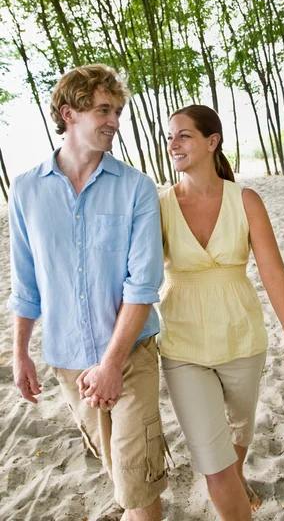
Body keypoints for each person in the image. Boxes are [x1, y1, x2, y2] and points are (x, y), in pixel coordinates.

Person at [8, 64, 167, 521]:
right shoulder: (24, 190)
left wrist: (113, 365)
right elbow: (26, 283)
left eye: (117, 110)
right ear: (68, 113)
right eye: (103, 109)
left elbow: (142, 288)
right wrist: (20, 353)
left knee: (136, 480)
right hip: (69, 362)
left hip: (131, 355)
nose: (115, 120)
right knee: (120, 472)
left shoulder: (136, 188)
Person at [158, 104, 284, 521]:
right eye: (169, 136)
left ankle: (236, 472)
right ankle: (229, 480)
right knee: (214, 467)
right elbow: (137, 277)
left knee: (239, 429)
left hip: (242, 339)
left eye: (183, 135)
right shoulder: (158, 205)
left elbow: (274, 273)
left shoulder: (246, 200)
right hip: (183, 344)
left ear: (212, 141)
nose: (173, 144)